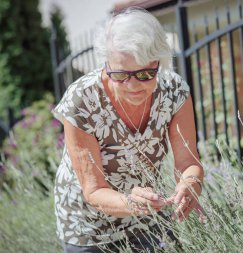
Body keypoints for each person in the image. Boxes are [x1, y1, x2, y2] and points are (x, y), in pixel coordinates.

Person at [52, 8, 204, 253]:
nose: (132, 86)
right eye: (120, 75)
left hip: (147, 213)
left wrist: (190, 183)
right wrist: (131, 202)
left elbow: (188, 161)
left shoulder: (174, 92)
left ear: (159, 64)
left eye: (145, 74)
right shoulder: (82, 99)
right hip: (88, 227)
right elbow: (94, 190)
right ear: (107, 64)